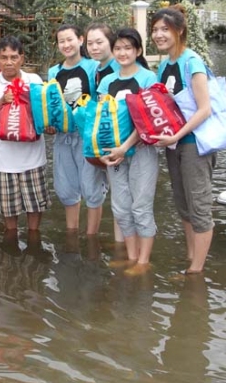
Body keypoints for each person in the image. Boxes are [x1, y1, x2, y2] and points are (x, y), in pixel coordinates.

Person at [151, 6, 214, 274]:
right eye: (155, 30)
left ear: (179, 30)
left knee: (198, 206)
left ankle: (196, 271)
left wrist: (177, 135)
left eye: (164, 29)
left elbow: (205, 108)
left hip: (194, 143)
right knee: (182, 204)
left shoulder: (192, 62)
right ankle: (191, 259)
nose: (158, 34)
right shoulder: (165, 65)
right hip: (173, 143)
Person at [99, 28, 160, 275]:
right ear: (112, 51)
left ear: (138, 50)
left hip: (141, 151)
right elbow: (102, 119)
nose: (122, 53)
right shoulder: (106, 81)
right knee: (121, 207)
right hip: (114, 152)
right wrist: (103, 150)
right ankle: (132, 257)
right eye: (118, 48)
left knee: (141, 207)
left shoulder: (148, 78)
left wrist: (126, 147)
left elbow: (148, 121)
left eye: (128, 47)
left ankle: (144, 262)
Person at [0, 36, 48, 232]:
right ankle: (11, 252)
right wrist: (2, 100)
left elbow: (45, 114)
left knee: (35, 210)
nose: (9, 62)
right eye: (4, 57)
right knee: (9, 214)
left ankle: (34, 245)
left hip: (34, 159)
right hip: (5, 162)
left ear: (22, 59)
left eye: (14, 57)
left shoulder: (34, 81)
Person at [47, 24, 103, 235]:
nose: (66, 44)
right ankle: (72, 235)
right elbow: (51, 103)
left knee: (92, 188)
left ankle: (91, 238)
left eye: (70, 39)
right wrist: (49, 124)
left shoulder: (93, 67)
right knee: (66, 188)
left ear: (80, 40)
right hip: (63, 135)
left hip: (87, 136)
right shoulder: (54, 71)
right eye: (61, 41)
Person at [86, 23, 124, 244]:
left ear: (111, 42)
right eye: (90, 43)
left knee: (121, 196)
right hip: (107, 141)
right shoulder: (98, 68)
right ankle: (116, 245)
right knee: (113, 194)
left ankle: (123, 247)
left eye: (99, 42)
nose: (94, 47)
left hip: (120, 143)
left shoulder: (117, 68)